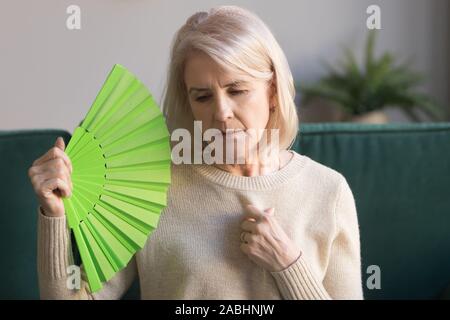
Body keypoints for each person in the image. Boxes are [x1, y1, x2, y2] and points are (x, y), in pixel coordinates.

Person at [28, 5, 363, 300]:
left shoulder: (328, 191)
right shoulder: (149, 188)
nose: (221, 112)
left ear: (272, 92)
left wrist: (289, 265)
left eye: (237, 90)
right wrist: (54, 216)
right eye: (202, 96)